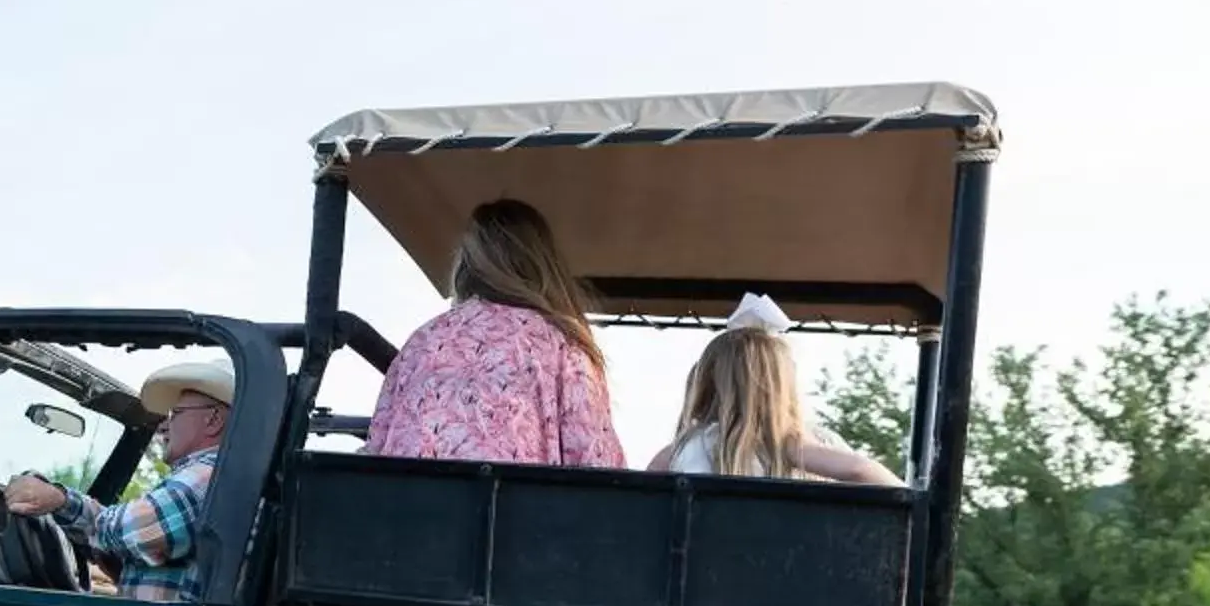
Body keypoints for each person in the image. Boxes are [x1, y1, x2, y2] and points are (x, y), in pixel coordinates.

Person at [366, 199, 626, 466]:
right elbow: (597, 469)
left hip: (407, 505)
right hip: (514, 506)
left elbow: (376, 452)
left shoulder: (422, 341)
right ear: (542, 267)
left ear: (466, 264)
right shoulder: (564, 348)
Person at [1, 361, 229, 602]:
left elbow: (133, 529)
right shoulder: (214, 477)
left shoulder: (210, 475)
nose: (163, 425)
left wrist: (59, 500)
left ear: (213, 420)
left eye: (175, 414)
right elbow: (128, 536)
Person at [647, 293, 903, 484]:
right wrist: (795, 449)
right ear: (783, 388)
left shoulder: (681, 451)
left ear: (706, 384)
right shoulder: (811, 446)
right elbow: (866, 473)